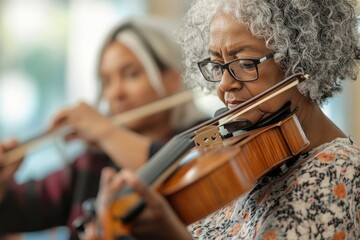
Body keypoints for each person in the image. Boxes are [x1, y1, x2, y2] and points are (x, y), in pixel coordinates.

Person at [89, 0, 360, 239]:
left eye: (245, 63)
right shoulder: (243, 164)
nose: (224, 85)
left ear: (301, 60)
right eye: (218, 65)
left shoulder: (342, 172)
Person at [0, 17, 207, 240]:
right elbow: (18, 210)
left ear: (172, 80)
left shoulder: (203, 139)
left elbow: (181, 172)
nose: (116, 93)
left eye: (131, 74)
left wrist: (105, 131)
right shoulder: (95, 158)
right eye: (106, 81)